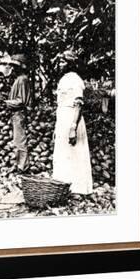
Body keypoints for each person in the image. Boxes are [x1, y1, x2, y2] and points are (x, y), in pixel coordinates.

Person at [52, 50, 93, 195]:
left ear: (70, 64)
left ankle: (78, 189)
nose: (60, 65)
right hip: (63, 118)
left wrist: (73, 127)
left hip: (71, 119)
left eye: (63, 62)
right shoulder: (64, 79)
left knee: (74, 152)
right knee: (64, 153)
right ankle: (64, 187)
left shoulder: (75, 80)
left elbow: (78, 104)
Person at [0, 54, 32, 172]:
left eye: (15, 66)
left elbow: (21, 101)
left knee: (20, 140)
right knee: (17, 140)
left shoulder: (22, 79)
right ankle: (20, 164)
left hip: (19, 113)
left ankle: (23, 167)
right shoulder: (18, 79)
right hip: (16, 113)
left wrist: (5, 102)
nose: (13, 68)